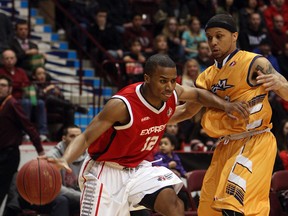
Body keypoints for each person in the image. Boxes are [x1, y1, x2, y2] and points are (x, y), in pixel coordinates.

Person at [47, 53, 249, 216]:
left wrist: (226, 105)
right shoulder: (121, 105)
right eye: (163, 81)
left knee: (174, 205)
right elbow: (85, 137)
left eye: (173, 81)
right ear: (147, 78)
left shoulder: (171, 93)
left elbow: (195, 96)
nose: (170, 87)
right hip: (105, 170)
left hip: (138, 169)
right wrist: (65, 159)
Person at [169, 13, 286, 216]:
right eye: (209, 37)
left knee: (233, 207)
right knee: (208, 209)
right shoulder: (206, 76)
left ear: (234, 36)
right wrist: (150, 117)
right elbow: (187, 111)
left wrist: (281, 86)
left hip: (254, 141)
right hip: (225, 145)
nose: (213, 42)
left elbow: (283, 86)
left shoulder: (254, 63)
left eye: (219, 36)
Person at [4, 125, 86, 216]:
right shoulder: (52, 157)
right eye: (72, 136)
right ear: (63, 138)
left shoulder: (88, 157)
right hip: (50, 196)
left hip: (77, 196)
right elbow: (56, 189)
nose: (76, 139)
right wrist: (82, 196)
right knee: (62, 200)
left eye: (79, 136)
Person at [0, 74, 44, 207]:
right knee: (7, 190)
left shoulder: (12, 103)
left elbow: (28, 126)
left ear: (9, 88)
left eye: (3, 85)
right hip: (2, 153)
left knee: (2, 189)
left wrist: (40, 150)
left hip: (9, 155)